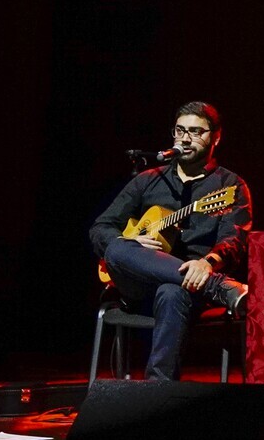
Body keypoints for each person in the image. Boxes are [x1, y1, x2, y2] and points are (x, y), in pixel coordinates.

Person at [89, 102, 253, 380]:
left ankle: (157, 394)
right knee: (117, 248)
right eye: (180, 131)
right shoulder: (147, 180)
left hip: (192, 288)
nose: (186, 138)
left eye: (196, 131)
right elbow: (101, 227)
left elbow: (234, 239)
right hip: (137, 287)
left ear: (216, 137)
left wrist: (207, 263)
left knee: (171, 291)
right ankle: (222, 288)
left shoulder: (230, 185)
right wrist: (134, 244)